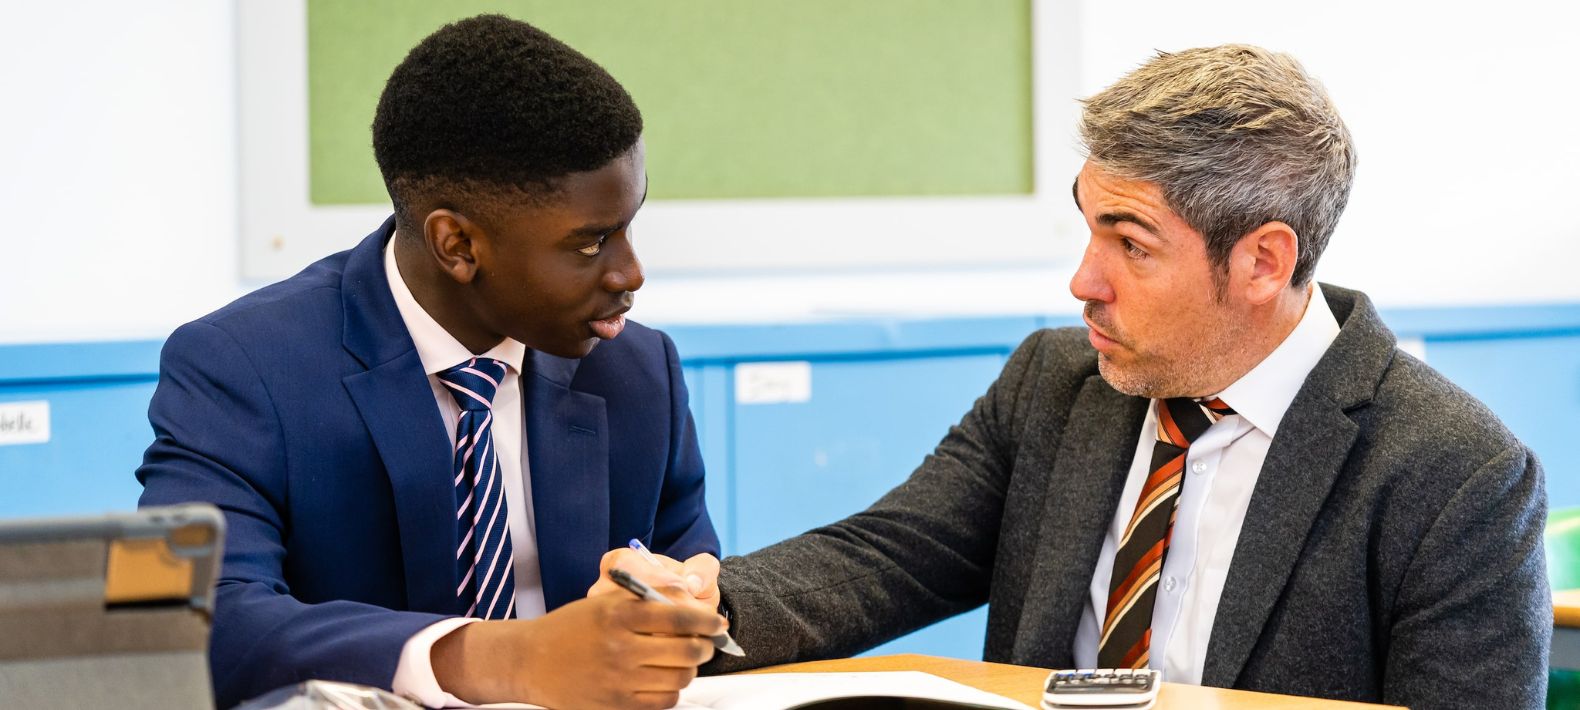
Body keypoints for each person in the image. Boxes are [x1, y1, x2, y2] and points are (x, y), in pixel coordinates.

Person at [598, 44, 1551, 708]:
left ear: (1262, 262)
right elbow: (887, 555)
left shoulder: (1455, 473)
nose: (1082, 281)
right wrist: (704, 603)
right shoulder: (1058, 382)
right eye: (1088, 226)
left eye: (1130, 244)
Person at [138, 15, 725, 710]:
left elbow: (689, 576)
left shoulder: (637, 370)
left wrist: (677, 609)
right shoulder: (242, 368)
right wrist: (503, 658)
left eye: (629, 227)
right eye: (592, 242)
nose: (632, 273)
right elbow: (192, 621)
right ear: (458, 245)